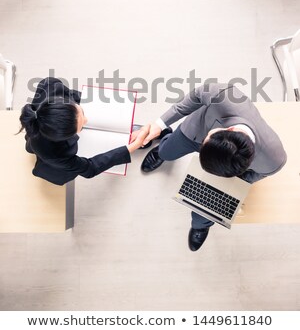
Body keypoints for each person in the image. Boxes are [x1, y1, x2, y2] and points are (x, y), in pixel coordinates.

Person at [131, 83, 287, 252]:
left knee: (206, 209)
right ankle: (163, 140)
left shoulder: (274, 158)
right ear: (230, 129)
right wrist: (159, 124)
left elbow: (260, 174)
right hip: (195, 132)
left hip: (226, 170)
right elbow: (197, 94)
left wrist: (237, 186)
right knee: (167, 151)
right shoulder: (226, 96)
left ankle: (200, 226)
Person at [19, 77, 149, 186]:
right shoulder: (53, 154)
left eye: (82, 113)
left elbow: (72, 94)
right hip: (48, 153)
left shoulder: (50, 86)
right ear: (65, 136)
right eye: (79, 127)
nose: (86, 120)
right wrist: (132, 147)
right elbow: (90, 168)